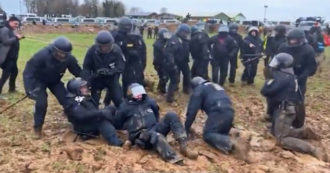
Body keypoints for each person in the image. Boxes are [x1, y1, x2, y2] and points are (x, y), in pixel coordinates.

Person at [261, 53, 328, 162]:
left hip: (284, 110)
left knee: (282, 139)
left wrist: (268, 80)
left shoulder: (282, 77)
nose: (273, 65)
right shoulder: (290, 75)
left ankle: (312, 149)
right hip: (286, 108)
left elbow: (265, 91)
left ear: (282, 64)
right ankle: (303, 132)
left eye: (276, 62)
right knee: (274, 131)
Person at [113, 83, 198, 164]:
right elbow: (118, 123)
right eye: (136, 93)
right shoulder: (124, 107)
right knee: (156, 135)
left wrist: (156, 123)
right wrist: (130, 131)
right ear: (130, 94)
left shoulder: (149, 101)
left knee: (171, 115)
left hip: (154, 128)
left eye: (140, 92)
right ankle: (173, 158)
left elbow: (156, 112)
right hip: (141, 136)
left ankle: (184, 146)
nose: (139, 95)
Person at [23, 36, 82, 138]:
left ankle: (77, 124)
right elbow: (28, 71)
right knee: (41, 103)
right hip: (39, 81)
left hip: (55, 81)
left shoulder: (69, 59)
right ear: (54, 50)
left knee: (67, 101)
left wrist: (88, 81)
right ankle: (37, 129)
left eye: (65, 54)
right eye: (60, 53)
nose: (62, 56)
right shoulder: (42, 55)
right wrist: (29, 88)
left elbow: (77, 71)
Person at [185, 77, 249, 160]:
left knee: (208, 134)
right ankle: (238, 135)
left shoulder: (199, 89)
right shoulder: (215, 86)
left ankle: (233, 143)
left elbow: (192, 111)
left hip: (218, 111)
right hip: (229, 112)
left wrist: (186, 128)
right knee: (219, 134)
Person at [64, 77, 123, 146]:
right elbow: (81, 115)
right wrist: (100, 113)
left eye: (85, 87)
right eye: (83, 88)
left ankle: (126, 129)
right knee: (102, 121)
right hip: (83, 127)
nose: (86, 89)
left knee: (111, 108)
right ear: (76, 90)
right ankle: (116, 143)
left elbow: (93, 110)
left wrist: (105, 111)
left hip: (92, 119)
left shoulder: (84, 97)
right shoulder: (72, 102)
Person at [277, 29, 317, 128]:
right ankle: (275, 117)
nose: (292, 42)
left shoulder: (308, 50)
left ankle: (297, 122)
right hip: (284, 76)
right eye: (290, 40)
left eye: (294, 40)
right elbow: (276, 59)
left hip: (299, 78)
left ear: (301, 39)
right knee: (278, 97)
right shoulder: (283, 47)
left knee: (298, 101)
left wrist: (302, 76)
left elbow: (311, 67)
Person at [81, 30, 125, 107]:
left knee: (119, 100)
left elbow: (121, 66)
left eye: (107, 46)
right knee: (94, 101)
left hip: (111, 79)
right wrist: (86, 82)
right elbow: (86, 67)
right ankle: (95, 116)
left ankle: (120, 116)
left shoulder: (116, 50)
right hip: (97, 79)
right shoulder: (92, 50)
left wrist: (110, 71)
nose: (104, 49)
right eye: (102, 46)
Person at [110, 17, 147, 97]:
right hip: (119, 61)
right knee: (114, 82)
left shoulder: (135, 37)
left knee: (129, 81)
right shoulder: (115, 36)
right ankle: (111, 98)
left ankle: (128, 96)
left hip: (131, 63)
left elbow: (142, 51)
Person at [164, 24, 191, 103]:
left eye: (187, 33)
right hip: (176, 62)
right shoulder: (174, 40)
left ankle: (186, 89)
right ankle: (170, 97)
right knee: (175, 79)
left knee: (187, 74)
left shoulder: (185, 40)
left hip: (184, 61)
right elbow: (169, 53)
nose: (186, 35)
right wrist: (172, 63)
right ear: (181, 32)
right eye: (185, 33)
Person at [0, 16, 24, 98]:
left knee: (14, 72)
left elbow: (13, 39)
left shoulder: (11, 29)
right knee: (5, 75)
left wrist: (18, 37)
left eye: (17, 24)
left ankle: (12, 89)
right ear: (10, 21)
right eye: (15, 23)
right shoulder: (5, 29)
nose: (16, 25)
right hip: (7, 57)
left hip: (13, 57)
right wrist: (17, 37)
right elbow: (6, 42)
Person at [153, 28, 171, 94]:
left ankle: (160, 88)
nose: (167, 36)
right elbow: (164, 53)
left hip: (163, 63)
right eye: (165, 35)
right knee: (164, 77)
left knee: (165, 76)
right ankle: (162, 91)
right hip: (159, 64)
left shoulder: (164, 42)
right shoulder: (158, 43)